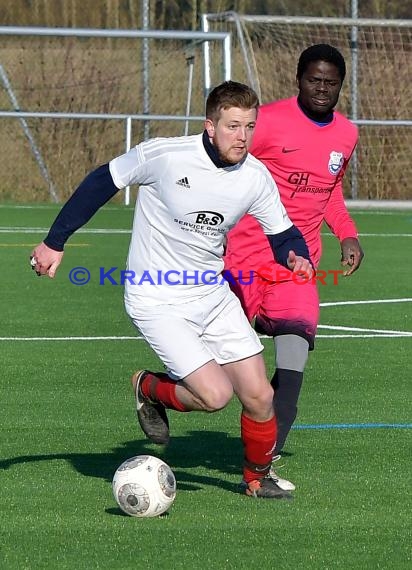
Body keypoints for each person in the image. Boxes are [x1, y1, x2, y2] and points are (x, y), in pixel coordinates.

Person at [30, 80, 313, 500]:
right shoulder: (165, 155)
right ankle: (148, 387)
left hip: (211, 295)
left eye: (250, 126)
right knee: (215, 396)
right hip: (156, 297)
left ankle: (257, 478)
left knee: (259, 395)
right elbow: (101, 182)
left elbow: (283, 233)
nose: (243, 136)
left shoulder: (254, 176)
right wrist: (55, 241)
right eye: (233, 126)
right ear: (209, 126)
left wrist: (296, 255)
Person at [224, 45, 364, 477]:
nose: (322, 89)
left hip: (297, 267)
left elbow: (330, 191)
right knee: (209, 385)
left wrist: (347, 234)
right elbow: (226, 167)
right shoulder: (266, 122)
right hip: (243, 259)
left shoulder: (347, 134)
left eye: (331, 82)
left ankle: (261, 465)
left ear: (341, 85)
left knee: (293, 362)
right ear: (298, 79)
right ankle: (156, 390)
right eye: (314, 80)